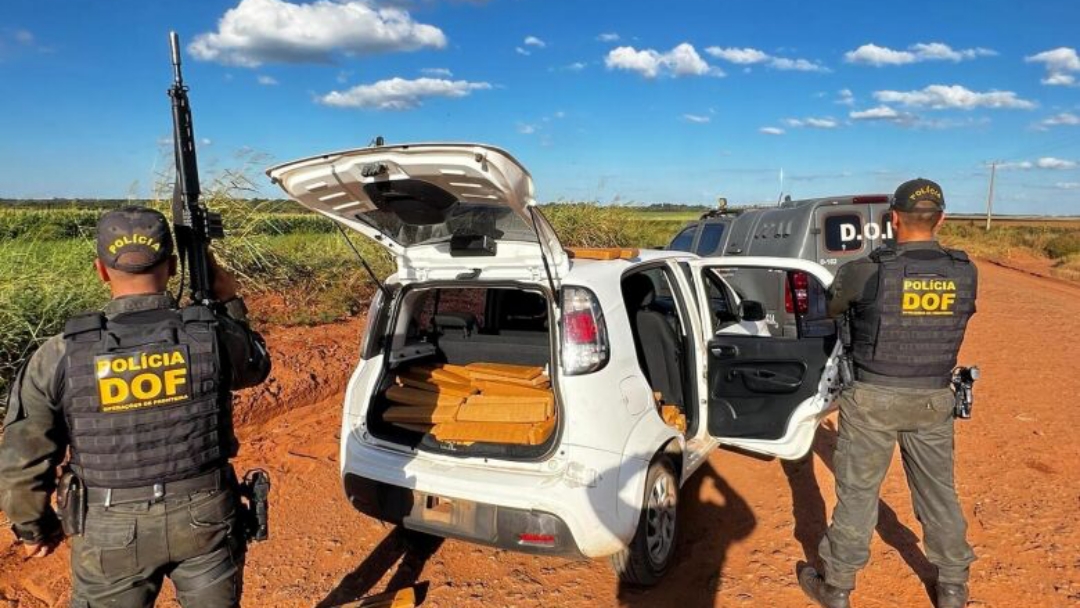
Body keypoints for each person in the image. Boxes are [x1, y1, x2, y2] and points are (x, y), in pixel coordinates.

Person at [0, 207, 271, 607]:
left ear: (101, 270)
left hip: (109, 526)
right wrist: (226, 297)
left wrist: (32, 527)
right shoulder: (212, 336)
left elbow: (23, 456)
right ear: (174, 266)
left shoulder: (59, 354)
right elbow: (257, 365)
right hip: (207, 514)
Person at [798, 179, 978, 608]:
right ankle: (952, 588)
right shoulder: (964, 270)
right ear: (942, 219)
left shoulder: (867, 269)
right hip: (934, 398)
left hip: (872, 396)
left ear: (892, 219)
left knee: (858, 494)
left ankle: (837, 587)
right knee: (939, 494)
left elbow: (830, 309)